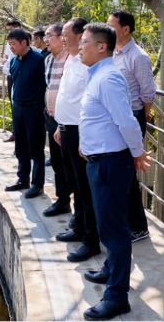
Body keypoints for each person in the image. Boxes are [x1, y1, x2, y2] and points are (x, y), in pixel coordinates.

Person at [78, 23, 152, 321]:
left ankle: (117, 296)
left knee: (114, 230)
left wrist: (137, 152)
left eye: (83, 42)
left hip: (110, 163)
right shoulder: (97, 75)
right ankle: (110, 269)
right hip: (100, 160)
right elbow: (99, 119)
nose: (79, 48)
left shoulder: (108, 78)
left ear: (101, 47)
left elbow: (126, 120)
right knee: (106, 223)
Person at [53, 17, 101, 262]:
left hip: (80, 133)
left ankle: (91, 241)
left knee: (85, 189)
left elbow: (87, 104)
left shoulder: (86, 64)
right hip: (66, 130)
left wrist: (84, 136)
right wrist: (60, 125)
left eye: (65, 33)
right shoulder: (70, 60)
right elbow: (67, 97)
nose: (62, 37)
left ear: (79, 35)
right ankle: (79, 227)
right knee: (74, 184)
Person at [107, 8, 157, 243]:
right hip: (117, 119)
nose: (107, 30)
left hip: (133, 118)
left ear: (125, 29)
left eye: (111, 26)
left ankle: (138, 227)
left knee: (127, 174)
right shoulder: (113, 54)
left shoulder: (138, 57)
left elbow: (148, 92)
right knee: (119, 172)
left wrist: (144, 114)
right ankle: (125, 222)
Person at [3, 28, 47, 198]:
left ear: (24, 42)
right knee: (20, 146)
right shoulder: (14, 60)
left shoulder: (38, 59)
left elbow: (45, 84)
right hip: (18, 108)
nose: (11, 47)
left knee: (36, 148)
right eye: (9, 44)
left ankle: (37, 184)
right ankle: (23, 179)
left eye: (13, 44)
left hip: (34, 109)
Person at [41, 22, 71, 217]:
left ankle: (81, 211)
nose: (45, 40)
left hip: (67, 121)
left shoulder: (72, 59)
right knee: (58, 163)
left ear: (62, 37)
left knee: (71, 165)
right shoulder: (48, 60)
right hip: (51, 117)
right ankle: (63, 201)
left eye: (49, 35)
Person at [1, 19, 21, 142]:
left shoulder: (25, 40)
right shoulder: (10, 43)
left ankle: (21, 135)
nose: (10, 33)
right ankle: (15, 132)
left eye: (11, 30)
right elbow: (5, 57)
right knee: (13, 104)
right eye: (8, 31)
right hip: (11, 75)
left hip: (20, 75)